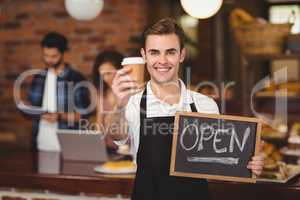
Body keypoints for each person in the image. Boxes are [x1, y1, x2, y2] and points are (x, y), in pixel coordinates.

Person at [107, 18, 264, 199]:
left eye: (170, 52)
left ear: (182, 54)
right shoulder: (132, 103)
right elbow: (116, 135)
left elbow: (221, 163)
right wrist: (119, 105)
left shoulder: (205, 105)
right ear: (144, 55)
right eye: (154, 52)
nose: (162, 60)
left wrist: (248, 164)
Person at [26, 32, 90, 151]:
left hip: (68, 146)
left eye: (53, 56)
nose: (49, 60)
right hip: (39, 143)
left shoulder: (76, 78)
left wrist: (60, 117)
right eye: (45, 55)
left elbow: (84, 116)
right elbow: (30, 108)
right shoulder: (39, 77)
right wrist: (31, 110)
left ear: (63, 53)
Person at [91, 50, 124, 152]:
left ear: (121, 70)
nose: (105, 78)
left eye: (109, 73)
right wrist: (96, 144)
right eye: (102, 75)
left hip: (127, 149)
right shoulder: (102, 93)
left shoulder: (130, 92)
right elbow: (99, 124)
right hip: (108, 149)